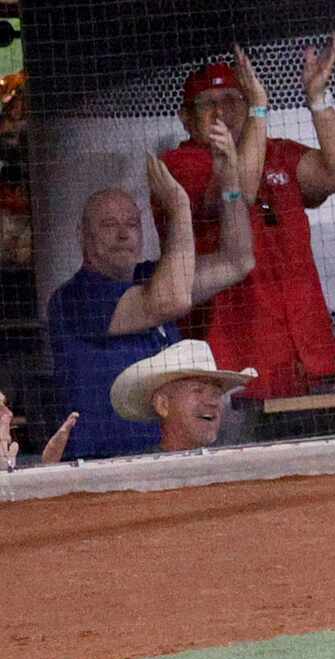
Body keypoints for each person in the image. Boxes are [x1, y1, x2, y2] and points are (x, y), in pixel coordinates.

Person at [162, 43, 335, 403]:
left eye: (234, 99)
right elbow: (241, 191)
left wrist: (318, 99)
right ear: (186, 118)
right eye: (208, 102)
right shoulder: (180, 163)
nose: (222, 111)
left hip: (307, 359)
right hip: (234, 373)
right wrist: (260, 109)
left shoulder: (276, 151)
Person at [44, 140, 254, 460]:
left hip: (163, 458)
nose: (124, 234)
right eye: (108, 225)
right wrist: (179, 207)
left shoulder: (153, 278)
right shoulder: (74, 297)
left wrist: (230, 183)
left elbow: (238, 261)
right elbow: (170, 301)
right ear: (83, 236)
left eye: (132, 224)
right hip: (100, 467)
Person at [108, 338, 254, 452]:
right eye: (198, 390)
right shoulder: (139, 476)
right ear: (163, 405)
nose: (212, 402)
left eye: (216, 393)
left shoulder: (233, 471)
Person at [1, 389, 77, 471]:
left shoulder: (17, 459)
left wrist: (62, 435)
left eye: (6, 405)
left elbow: (47, 463)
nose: (9, 414)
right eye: (0, 408)